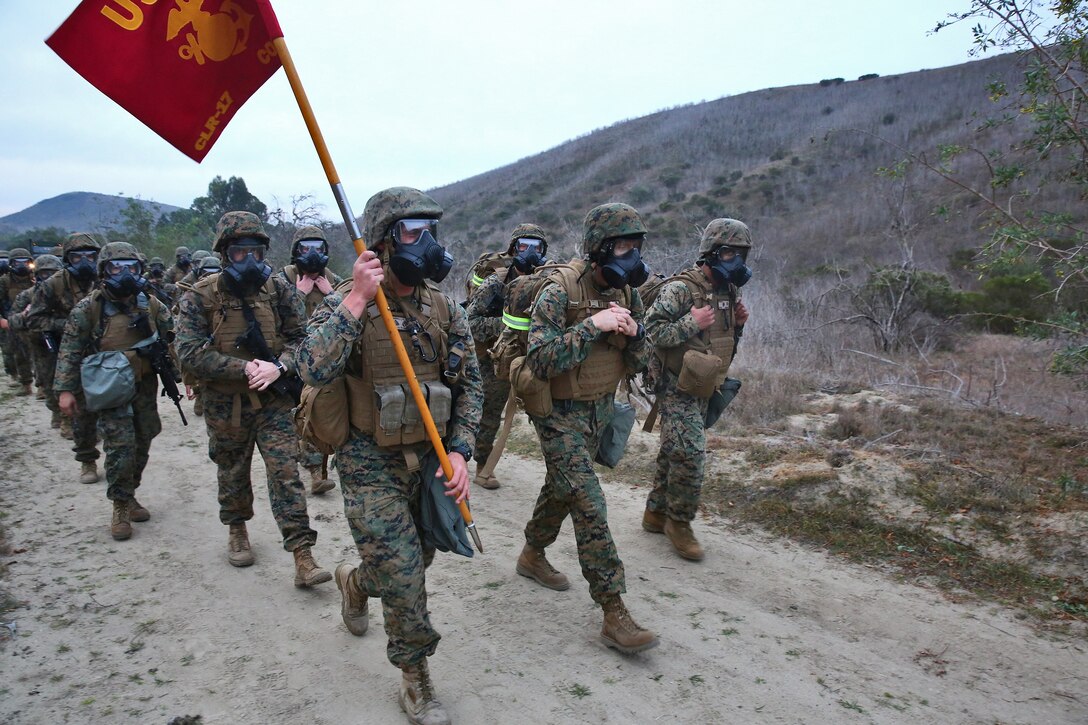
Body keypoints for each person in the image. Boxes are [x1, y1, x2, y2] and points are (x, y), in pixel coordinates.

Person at [298, 187, 482, 725]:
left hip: (427, 457)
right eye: (411, 231)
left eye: (431, 229)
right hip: (367, 460)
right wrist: (355, 299)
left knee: (411, 563)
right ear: (380, 241)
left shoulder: (443, 307)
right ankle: (415, 676)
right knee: (404, 572)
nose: (425, 243)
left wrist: (462, 452)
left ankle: (355, 582)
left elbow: (470, 385)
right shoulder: (346, 302)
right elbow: (310, 367)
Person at [516, 202, 658, 654]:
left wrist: (635, 336)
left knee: (563, 487)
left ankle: (532, 554)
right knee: (588, 500)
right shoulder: (559, 290)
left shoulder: (628, 295)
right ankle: (613, 610)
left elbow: (640, 363)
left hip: (598, 408)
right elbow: (539, 360)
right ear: (599, 249)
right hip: (555, 412)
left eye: (636, 248)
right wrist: (593, 326)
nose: (631, 257)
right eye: (622, 247)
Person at [174, 211, 331, 588]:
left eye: (256, 252)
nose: (250, 261)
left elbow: (302, 340)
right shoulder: (201, 297)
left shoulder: (279, 291)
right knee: (232, 469)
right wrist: (241, 369)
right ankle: (237, 528)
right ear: (226, 253)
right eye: (241, 253)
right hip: (225, 404)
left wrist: (279, 367)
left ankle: (302, 554)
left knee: (285, 474)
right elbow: (189, 352)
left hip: (274, 402)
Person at [643, 218, 752, 561]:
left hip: (706, 382)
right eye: (730, 253)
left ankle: (655, 513)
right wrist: (692, 321)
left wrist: (738, 326)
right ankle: (679, 522)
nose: (737, 262)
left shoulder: (728, 291)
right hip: (675, 384)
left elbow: (722, 342)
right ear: (713, 253)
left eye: (741, 255)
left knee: (674, 448)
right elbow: (652, 331)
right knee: (690, 453)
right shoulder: (680, 289)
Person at [54, 242, 172, 540]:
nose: (124, 274)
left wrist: (185, 377)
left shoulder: (152, 305)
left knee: (145, 437)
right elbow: (69, 349)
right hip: (108, 387)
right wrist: (65, 390)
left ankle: (130, 492)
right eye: (116, 268)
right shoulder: (88, 309)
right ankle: (120, 505)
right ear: (103, 271)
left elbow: (173, 339)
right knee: (121, 446)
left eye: (131, 268)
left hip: (144, 384)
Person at [463, 223, 549, 489]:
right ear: (514, 249)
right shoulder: (495, 282)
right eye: (525, 246)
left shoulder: (548, 281)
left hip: (532, 357)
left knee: (547, 412)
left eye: (538, 247)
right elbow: (470, 322)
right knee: (490, 410)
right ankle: (482, 464)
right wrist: (504, 327)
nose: (531, 253)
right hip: (494, 357)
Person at [27, 233, 103, 481]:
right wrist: (68, 324)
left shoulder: (106, 279)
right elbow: (34, 319)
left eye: (90, 256)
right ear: (67, 259)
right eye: (77, 256)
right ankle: (87, 460)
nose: (84, 261)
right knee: (81, 412)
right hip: (72, 353)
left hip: (106, 353)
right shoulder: (54, 284)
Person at [277, 225, 343, 495]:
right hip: (291, 357)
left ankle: (318, 473)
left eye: (318, 248)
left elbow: (352, 310)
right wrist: (299, 295)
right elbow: (273, 318)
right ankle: (308, 465)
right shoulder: (282, 281)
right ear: (296, 252)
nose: (313, 254)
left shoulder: (334, 280)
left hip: (324, 359)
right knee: (296, 415)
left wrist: (332, 294)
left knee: (319, 411)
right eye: (306, 248)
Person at [10, 254, 64, 427]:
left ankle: (71, 420)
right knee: (48, 380)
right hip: (41, 345)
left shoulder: (66, 294)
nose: (48, 278)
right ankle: (58, 414)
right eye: (43, 274)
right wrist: (25, 315)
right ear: (35, 276)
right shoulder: (28, 296)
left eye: (53, 274)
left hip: (67, 343)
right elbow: (12, 321)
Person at [0, 248, 36, 396]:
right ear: (10, 264)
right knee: (16, 353)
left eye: (25, 262)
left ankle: (42, 387)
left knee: (40, 354)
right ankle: (25, 383)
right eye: (17, 263)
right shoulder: (4, 281)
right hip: (12, 322)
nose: (22, 266)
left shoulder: (35, 278)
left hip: (34, 321)